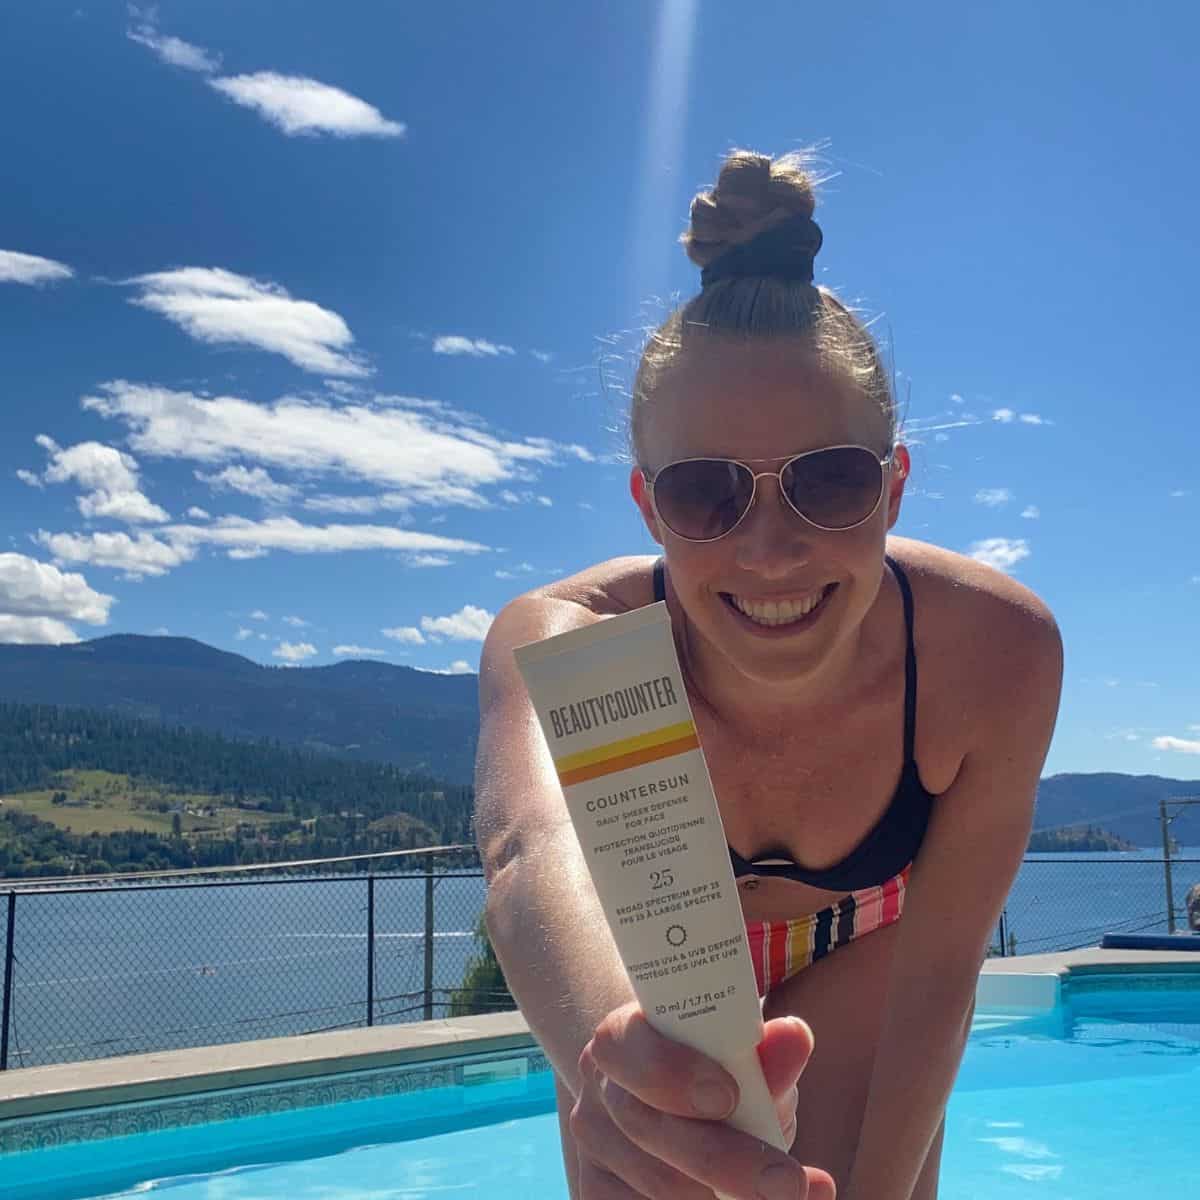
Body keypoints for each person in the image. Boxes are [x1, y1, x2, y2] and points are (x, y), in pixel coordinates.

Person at [474, 148, 1063, 1200]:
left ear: (894, 488)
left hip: (871, 954)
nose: (770, 550)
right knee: (657, 1144)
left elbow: (939, 972)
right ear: (649, 509)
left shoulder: (989, 648)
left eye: (829, 481)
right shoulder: (568, 636)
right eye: (707, 495)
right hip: (638, 973)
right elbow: (530, 853)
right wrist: (633, 1083)